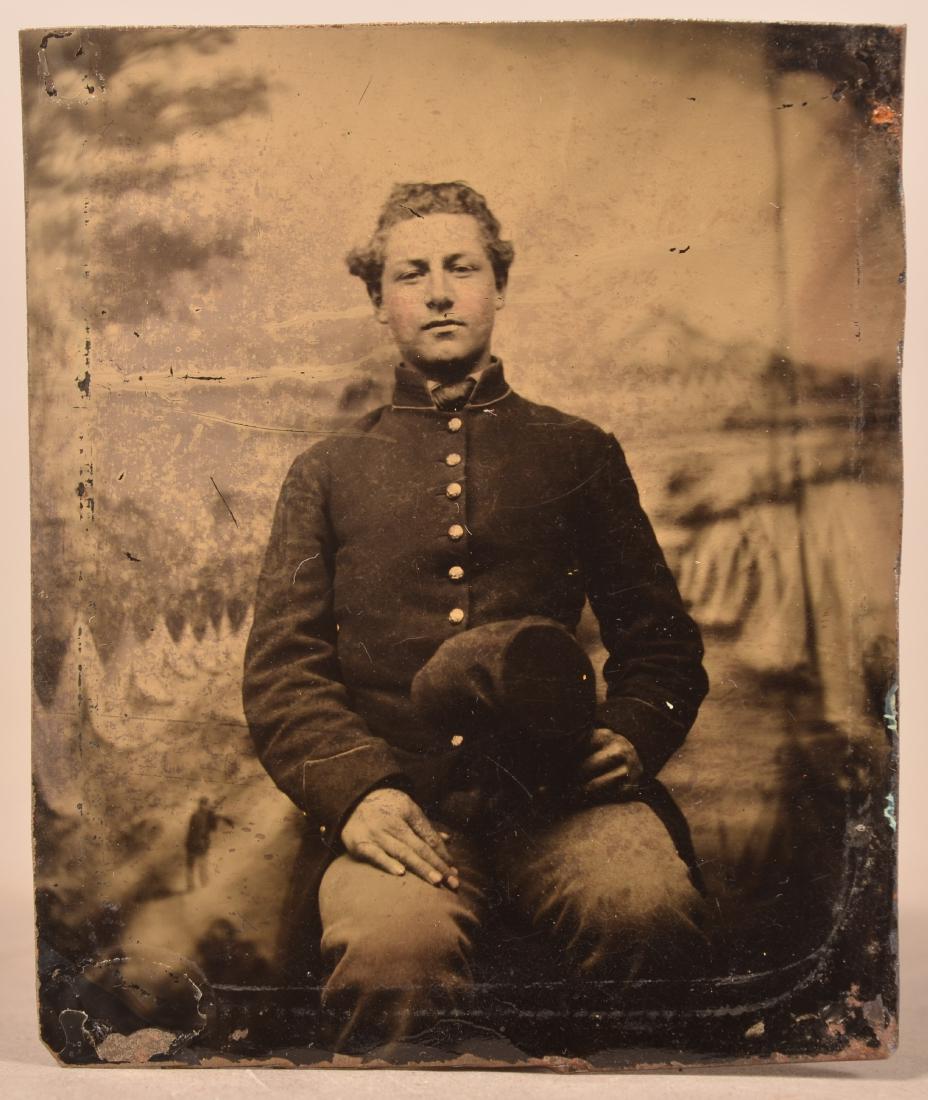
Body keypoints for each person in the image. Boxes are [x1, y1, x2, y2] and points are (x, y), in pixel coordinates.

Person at [243, 181, 710, 1055]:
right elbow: (283, 669)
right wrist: (361, 793)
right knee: (389, 954)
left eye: (463, 267)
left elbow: (661, 643)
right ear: (379, 302)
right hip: (407, 805)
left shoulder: (577, 451)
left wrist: (635, 734)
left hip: (563, 796)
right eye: (410, 273)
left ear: (498, 285)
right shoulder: (329, 470)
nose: (440, 291)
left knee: (648, 913)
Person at [184, 797, 233, 892]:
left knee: (201, 865)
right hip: (195, 843)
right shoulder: (197, 816)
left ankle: (203, 885)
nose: (205, 807)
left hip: (199, 843)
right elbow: (194, 830)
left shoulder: (206, 816)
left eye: (206, 805)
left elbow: (212, 828)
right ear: (200, 805)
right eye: (203, 805)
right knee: (193, 865)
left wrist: (215, 817)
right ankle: (193, 886)